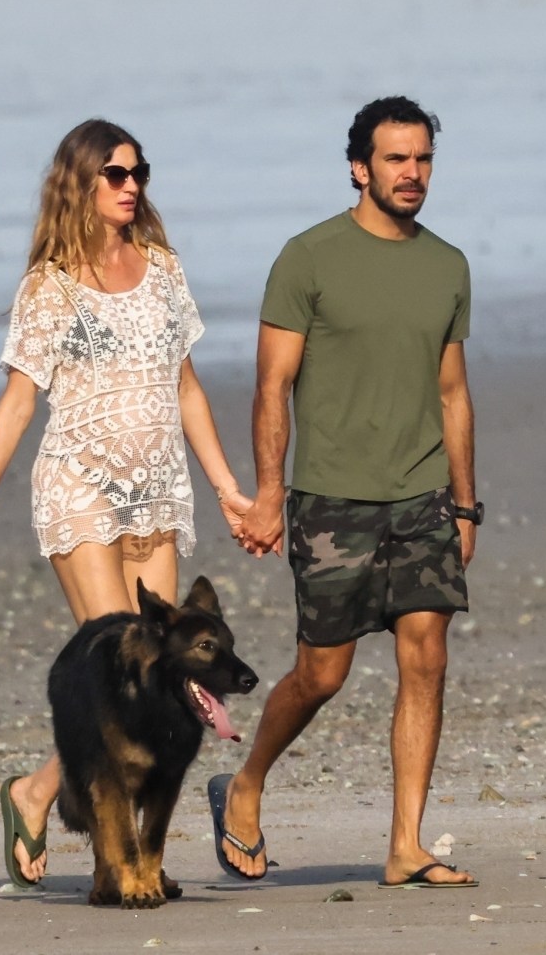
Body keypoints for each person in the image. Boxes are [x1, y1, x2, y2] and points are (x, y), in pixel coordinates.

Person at [0, 118, 249, 891]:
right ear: (78, 184)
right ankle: (117, 864)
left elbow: (186, 388)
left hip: (157, 488)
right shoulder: (47, 286)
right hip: (77, 486)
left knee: (155, 680)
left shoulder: (161, 268)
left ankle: (37, 791)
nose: (131, 186)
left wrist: (226, 488)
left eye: (138, 172)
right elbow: (19, 402)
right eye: (115, 174)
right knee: (123, 666)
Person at [208, 96, 481, 889]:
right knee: (321, 674)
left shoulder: (448, 264)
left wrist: (465, 504)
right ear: (359, 166)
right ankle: (248, 779)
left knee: (424, 655)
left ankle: (406, 841)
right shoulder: (308, 258)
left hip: (422, 496)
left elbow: (454, 392)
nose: (412, 174)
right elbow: (271, 387)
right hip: (331, 500)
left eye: (423, 158)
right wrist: (267, 495)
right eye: (396, 159)